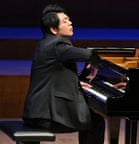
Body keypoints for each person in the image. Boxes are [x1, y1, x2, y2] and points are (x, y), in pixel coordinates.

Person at [22, 4, 105, 144]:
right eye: (65, 21)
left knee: (93, 120)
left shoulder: (45, 44)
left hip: (36, 113)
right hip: (48, 116)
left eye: (69, 19)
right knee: (96, 123)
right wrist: (96, 62)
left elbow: (56, 76)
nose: (70, 23)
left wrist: (76, 83)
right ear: (54, 29)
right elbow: (89, 54)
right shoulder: (57, 45)